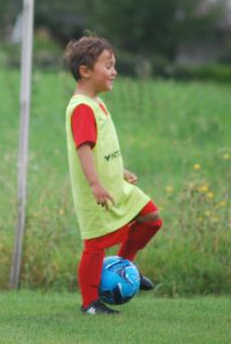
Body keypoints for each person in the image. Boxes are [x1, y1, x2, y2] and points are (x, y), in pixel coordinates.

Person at [64, 36, 163, 315]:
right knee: (94, 246)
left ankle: (124, 266)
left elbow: (101, 148)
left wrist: (119, 171)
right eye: (108, 66)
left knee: (151, 218)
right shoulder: (81, 107)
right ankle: (90, 303)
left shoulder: (95, 103)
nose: (114, 72)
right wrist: (95, 183)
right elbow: (83, 149)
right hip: (97, 191)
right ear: (85, 71)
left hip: (115, 184)